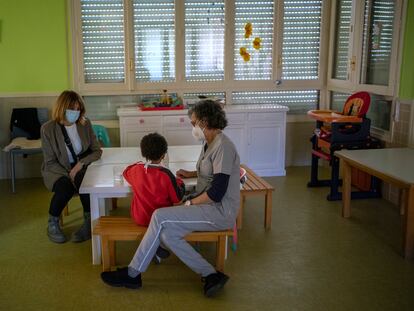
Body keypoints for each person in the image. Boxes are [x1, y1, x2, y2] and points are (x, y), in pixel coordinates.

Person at [101, 100, 240, 298]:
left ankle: (133, 274)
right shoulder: (209, 143)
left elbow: (217, 192)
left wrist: (190, 202)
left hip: (219, 211)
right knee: (167, 235)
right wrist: (191, 172)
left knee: (158, 216)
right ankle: (211, 274)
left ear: (205, 121)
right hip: (206, 206)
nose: (192, 128)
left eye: (194, 123)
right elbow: (211, 172)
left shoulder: (224, 146)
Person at [41, 90, 102, 244]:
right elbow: (50, 161)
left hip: (81, 166)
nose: (75, 112)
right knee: (65, 188)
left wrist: (80, 165)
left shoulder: (84, 123)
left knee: (84, 182)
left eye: (78, 109)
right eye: (72, 109)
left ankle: (88, 222)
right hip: (56, 169)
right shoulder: (48, 129)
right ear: (62, 108)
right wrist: (68, 174)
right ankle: (52, 223)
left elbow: (97, 151)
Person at [123, 132, 186, 262]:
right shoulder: (166, 175)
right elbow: (177, 199)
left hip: (140, 218)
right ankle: (156, 245)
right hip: (161, 221)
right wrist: (179, 181)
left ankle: (154, 246)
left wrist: (137, 164)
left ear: (143, 153)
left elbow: (125, 172)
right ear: (163, 155)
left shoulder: (136, 170)